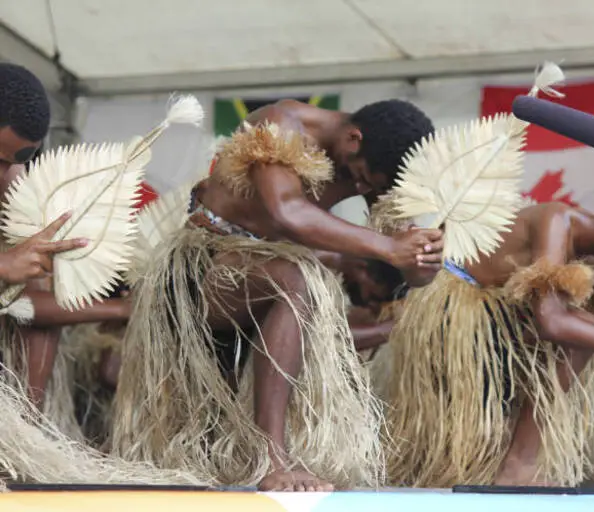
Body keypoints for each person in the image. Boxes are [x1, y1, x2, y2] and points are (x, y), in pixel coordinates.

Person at [110, 98, 442, 491]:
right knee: (297, 277)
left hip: (270, 286)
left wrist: (419, 263)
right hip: (206, 270)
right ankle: (272, 460)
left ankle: (273, 452)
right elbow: (288, 211)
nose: (365, 189)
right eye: (365, 178)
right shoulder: (281, 124)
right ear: (354, 139)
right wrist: (390, 248)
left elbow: (400, 254)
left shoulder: (376, 167)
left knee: (296, 279)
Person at [368, 199, 594, 487]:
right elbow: (551, 321)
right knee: (580, 329)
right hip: (459, 308)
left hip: (503, 320)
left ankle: (509, 459)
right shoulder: (558, 220)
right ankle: (519, 464)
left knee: (586, 329)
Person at [0, 64, 132, 422]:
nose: (5, 172)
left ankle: (23, 434)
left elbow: (27, 305)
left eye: (16, 160)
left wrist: (119, 308)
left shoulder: (15, 183)